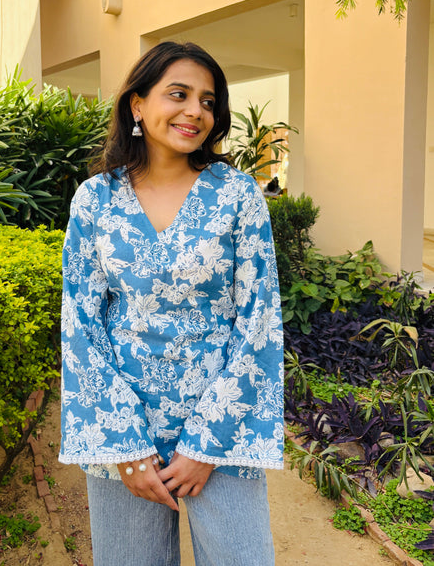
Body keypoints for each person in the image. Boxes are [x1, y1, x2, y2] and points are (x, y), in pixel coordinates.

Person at [59, 41, 283, 566]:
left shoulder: (238, 195)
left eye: (208, 101)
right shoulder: (95, 199)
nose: (195, 111)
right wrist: (126, 446)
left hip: (223, 422)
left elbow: (259, 320)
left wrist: (207, 443)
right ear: (137, 104)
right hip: (123, 427)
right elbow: (81, 324)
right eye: (178, 94)